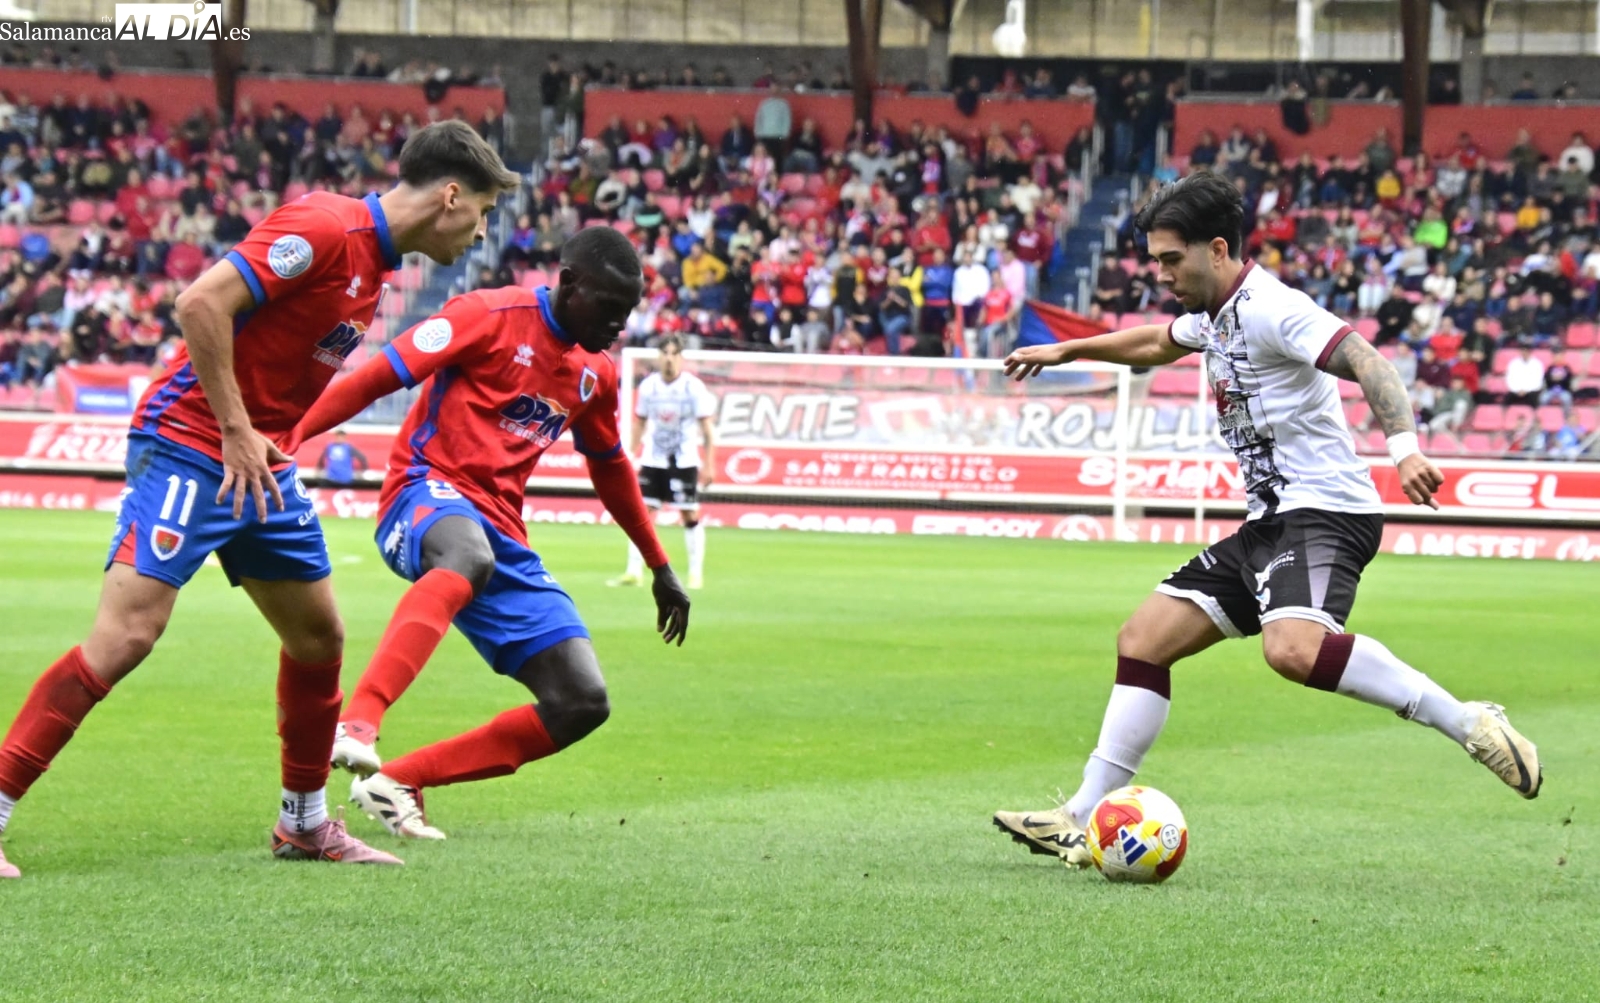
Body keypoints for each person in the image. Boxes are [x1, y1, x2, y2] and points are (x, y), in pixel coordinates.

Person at [0, 121, 521, 879]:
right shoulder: (323, 225)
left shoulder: (373, 265)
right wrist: (238, 430)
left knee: (319, 637)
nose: (479, 233)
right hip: (192, 442)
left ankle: (303, 823)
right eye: (480, 212)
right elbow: (199, 302)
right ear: (450, 195)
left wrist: (258, 441)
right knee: (127, 636)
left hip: (259, 465)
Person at [991, 173, 1542, 869]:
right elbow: (1158, 343)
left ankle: (1469, 720)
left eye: (1170, 260)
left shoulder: (1274, 308)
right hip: (1271, 521)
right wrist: (1068, 350)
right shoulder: (1214, 315)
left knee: (1293, 648)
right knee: (1144, 637)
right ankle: (1079, 814)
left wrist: (1404, 449)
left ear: (1217, 248)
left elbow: (1367, 359)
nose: (1162, 275)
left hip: (1327, 511)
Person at [281, 226, 691, 841]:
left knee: (581, 700)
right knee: (467, 552)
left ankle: (397, 782)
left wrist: (659, 566)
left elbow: (610, 466)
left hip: (502, 529)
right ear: (571, 283)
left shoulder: (596, 374)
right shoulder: (486, 314)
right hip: (422, 492)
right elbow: (380, 376)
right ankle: (359, 720)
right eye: (609, 308)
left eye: (628, 312)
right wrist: (285, 441)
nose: (619, 326)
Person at [609, 335, 718, 591]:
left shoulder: (693, 387)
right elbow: (640, 422)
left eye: (674, 353)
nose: (669, 358)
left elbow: (707, 428)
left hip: (684, 460)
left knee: (689, 513)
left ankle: (695, 574)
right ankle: (633, 571)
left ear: (681, 357)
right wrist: (629, 455)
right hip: (653, 459)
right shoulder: (649, 386)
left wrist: (709, 463)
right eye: (665, 353)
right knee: (642, 513)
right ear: (658, 356)